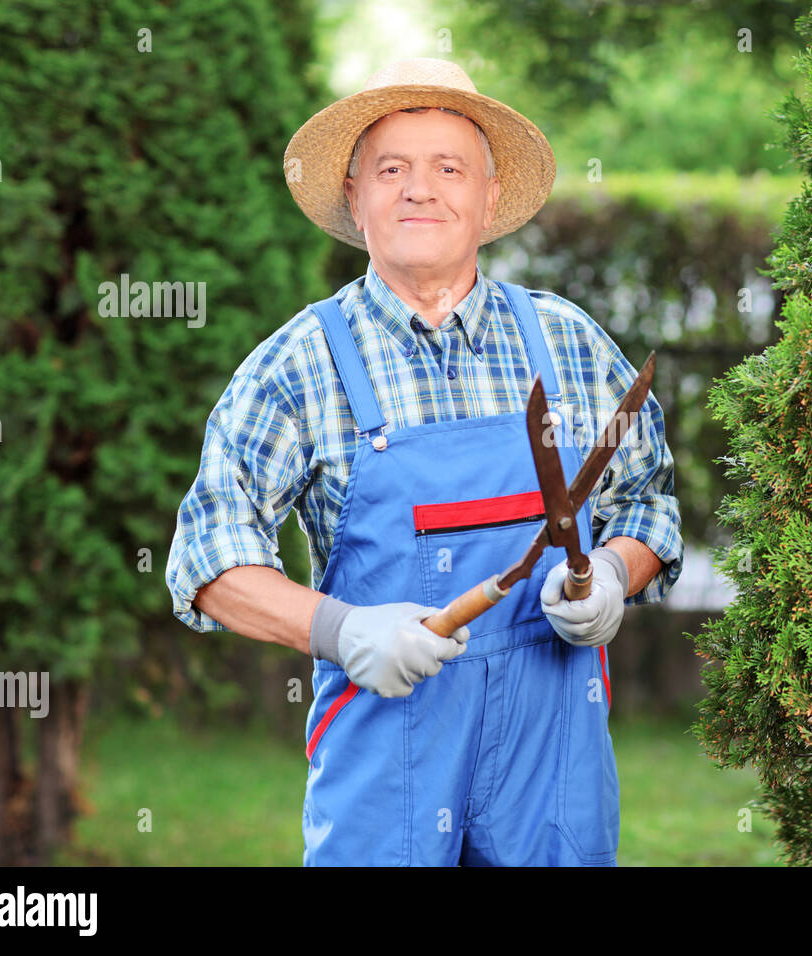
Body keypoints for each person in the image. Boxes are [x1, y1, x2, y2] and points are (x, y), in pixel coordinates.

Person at [164, 58, 682, 866]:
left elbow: (647, 499)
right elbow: (207, 559)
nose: (419, 189)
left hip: (553, 773)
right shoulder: (300, 363)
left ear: (486, 192)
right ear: (354, 196)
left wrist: (615, 571)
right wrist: (340, 630)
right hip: (387, 771)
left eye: (448, 167)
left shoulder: (568, 342)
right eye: (392, 168)